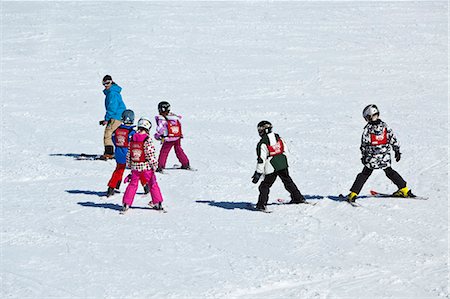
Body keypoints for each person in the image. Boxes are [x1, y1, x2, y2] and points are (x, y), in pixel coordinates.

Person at [344, 104, 414, 203]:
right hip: (384, 157)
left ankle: (353, 194)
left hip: (372, 158)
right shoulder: (385, 126)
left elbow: (364, 143)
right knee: (390, 172)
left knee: (364, 174)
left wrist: (364, 156)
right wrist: (397, 150)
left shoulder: (368, 129)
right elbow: (392, 138)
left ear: (369, 116)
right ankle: (404, 189)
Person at [251, 121, 306, 211]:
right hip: (282, 163)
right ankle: (298, 197)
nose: (259, 132)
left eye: (260, 130)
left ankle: (261, 205)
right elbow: (286, 150)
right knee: (288, 181)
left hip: (271, 166)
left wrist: (258, 173)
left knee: (264, 186)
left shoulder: (263, 143)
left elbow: (261, 159)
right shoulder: (278, 138)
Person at [121, 117, 164, 213]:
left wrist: (129, 164)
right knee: (153, 184)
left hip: (135, 167)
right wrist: (154, 165)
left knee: (132, 185)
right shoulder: (147, 139)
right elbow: (150, 154)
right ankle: (157, 202)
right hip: (146, 167)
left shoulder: (132, 138)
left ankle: (126, 203)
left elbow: (129, 152)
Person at [106, 110, 149, 197]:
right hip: (130, 154)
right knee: (137, 171)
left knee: (119, 170)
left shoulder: (117, 130)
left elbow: (113, 139)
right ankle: (146, 186)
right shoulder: (132, 132)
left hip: (119, 153)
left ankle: (112, 187)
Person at [154, 101, 190, 171]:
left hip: (169, 138)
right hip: (177, 136)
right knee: (179, 149)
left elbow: (161, 129)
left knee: (164, 151)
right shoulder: (174, 117)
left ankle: (161, 166)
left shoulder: (162, 118)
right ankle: (185, 163)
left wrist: (157, 136)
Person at [99, 75, 126, 160]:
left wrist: (107, 119)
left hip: (116, 116)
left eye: (107, 83)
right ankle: (117, 151)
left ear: (111, 82)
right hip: (118, 115)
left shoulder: (112, 93)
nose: (106, 85)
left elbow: (112, 107)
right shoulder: (113, 92)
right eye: (104, 84)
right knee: (115, 134)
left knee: (108, 133)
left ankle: (109, 153)